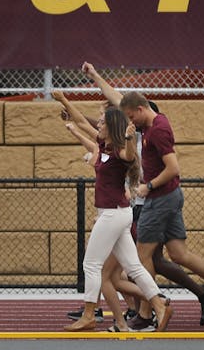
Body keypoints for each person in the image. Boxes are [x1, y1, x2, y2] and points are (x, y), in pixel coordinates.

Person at [81, 63, 204, 326]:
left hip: (158, 198)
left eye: (131, 117)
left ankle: (148, 312)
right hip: (162, 197)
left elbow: (174, 168)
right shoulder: (145, 126)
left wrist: (150, 186)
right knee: (175, 255)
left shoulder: (156, 130)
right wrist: (95, 76)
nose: (129, 123)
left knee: (141, 259)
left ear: (141, 110)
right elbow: (116, 97)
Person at [57, 99, 172, 332]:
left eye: (102, 122)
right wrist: (63, 101)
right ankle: (160, 305)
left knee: (91, 264)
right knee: (133, 266)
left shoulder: (121, 150)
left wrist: (130, 138)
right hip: (117, 214)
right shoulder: (104, 144)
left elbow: (130, 156)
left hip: (113, 214)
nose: (98, 124)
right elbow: (80, 121)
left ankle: (89, 314)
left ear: (112, 126)